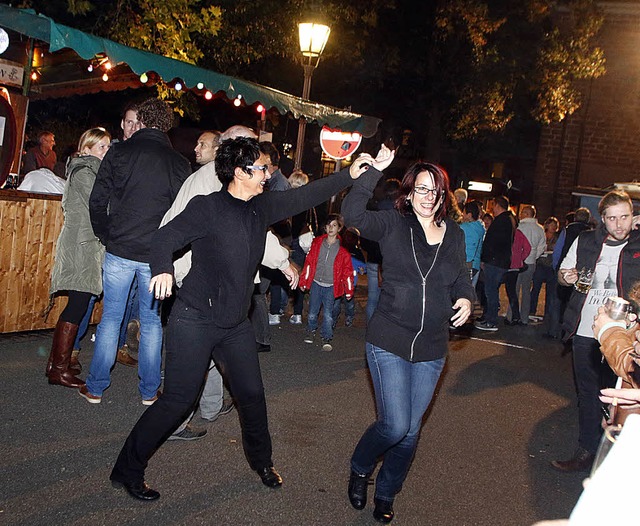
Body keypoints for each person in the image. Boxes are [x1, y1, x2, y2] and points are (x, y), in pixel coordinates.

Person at [109, 136, 380, 501]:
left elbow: (306, 196)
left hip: (235, 323)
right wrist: (162, 270)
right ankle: (127, 469)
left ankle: (262, 461)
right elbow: (162, 237)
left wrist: (349, 173)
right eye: (261, 169)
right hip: (195, 319)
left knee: (251, 395)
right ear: (239, 172)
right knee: (178, 400)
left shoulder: (261, 207)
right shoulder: (207, 207)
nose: (267, 175)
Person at [342, 155, 473, 524]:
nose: (428, 196)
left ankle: (386, 492)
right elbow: (353, 215)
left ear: (443, 194)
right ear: (410, 192)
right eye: (421, 188)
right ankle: (360, 466)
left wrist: (466, 297)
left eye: (435, 190)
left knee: (411, 432)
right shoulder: (393, 224)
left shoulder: (455, 234)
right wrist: (373, 174)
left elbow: (461, 276)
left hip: (432, 347)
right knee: (395, 425)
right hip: (389, 339)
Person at [161, 125, 295, 440]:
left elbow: (255, 227)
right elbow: (176, 230)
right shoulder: (210, 183)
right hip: (200, 280)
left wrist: (281, 261)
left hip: (223, 285)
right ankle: (175, 421)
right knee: (196, 353)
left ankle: (210, 406)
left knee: (217, 347)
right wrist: (170, 270)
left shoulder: (234, 184)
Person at [82, 98, 191, 405]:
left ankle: (96, 387)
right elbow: (183, 214)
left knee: (111, 319)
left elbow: (96, 200)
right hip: (157, 255)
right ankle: (149, 391)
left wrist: (106, 234)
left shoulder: (119, 152)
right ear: (167, 124)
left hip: (120, 247)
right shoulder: (178, 163)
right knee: (153, 322)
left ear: (141, 120)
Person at [552, 191, 640, 472]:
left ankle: (617, 457)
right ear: (602, 219)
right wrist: (566, 277)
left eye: (624, 217)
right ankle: (587, 450)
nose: (619, 224)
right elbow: (562, 275)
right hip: (587, 331)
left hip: (625, 335)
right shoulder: (586, 240)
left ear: (633, 215)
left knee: (623, 396)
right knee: (588, 394)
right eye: (612, 218)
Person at [45, 127, 111, 388]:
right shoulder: (86, 172)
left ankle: (55, 364)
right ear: (86, 150)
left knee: (78, 303)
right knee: (78, 304)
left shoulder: (88, 170)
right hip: (83, 245)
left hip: (84, 244)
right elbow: (100, 208)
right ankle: (58, 369)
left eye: (108, 146)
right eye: (101, 147)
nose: (106, 151)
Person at [299, 213, 354, 352]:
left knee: (328, 314)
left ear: (339, 228)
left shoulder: (343, 252)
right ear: (325, 227)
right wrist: (304, 281)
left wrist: (348, 290)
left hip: (331, 286)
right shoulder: (317, 243)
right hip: (316, 283)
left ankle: (327, 336)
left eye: (334, 225)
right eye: (328, 225)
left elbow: (347, 272)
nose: (331, 228)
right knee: (312, 311)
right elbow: (309, 263)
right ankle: (311, 330)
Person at [474, 196, 514, 332]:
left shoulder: (502, 221)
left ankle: (491, 320)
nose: (492, 209)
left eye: (493, 205)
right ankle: (488, 317)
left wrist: (485, 259)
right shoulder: (508, 220)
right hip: (499, 261)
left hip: (495, 262)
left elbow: (493, 243)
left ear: (498, 205)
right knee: (491, 290)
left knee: (490, 291)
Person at [287, 169, 313, 325]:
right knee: (298, 276)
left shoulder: (288, 201)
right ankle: (297, 313)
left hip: (289, 241)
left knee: (282, 273)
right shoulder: (307, 202)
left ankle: (276, 311)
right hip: (301, 242)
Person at [513, 205, 546, 325]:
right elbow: (542, 246)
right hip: (531, 262)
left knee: (514, 289)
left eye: (522, 212)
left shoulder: (519, 227)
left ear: (527, 214)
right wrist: (534, 256)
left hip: (518, 262)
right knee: (526, 290)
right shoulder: (540, 229)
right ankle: (524, 317)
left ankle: (512, 315)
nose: (520, 214)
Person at [333, 226, 367, 328]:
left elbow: (362, 267)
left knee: (346, 302)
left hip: (349, 281)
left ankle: (347, 317)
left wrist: (362, 269)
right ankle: (335, 318)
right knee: (339, 302)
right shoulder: (340, 249)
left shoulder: (355, 252)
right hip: (341, 280)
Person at [530, 216, 560, 322]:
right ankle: (531, 310)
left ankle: (547, 313)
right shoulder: (542, 234)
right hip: (540, 264)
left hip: (551, 266)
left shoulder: (557, 237)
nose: (553, 227)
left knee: (550, 291)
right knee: (535, 289)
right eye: (551, 225)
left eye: (555, 225)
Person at [503, 227, 531, 325]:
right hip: (515, 265)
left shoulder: (504, 232)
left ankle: (515, 316)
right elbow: (528, 247)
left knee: (509, 291)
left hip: (505, 264)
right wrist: (520, 258)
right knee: (512, 291)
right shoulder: (518, 233)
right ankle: (516, 316)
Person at [460, 200, 485, 288]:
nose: (462, 215)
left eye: (464, 213)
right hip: (476, 265)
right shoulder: (480, 228)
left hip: (465, 264)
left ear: (469, 215)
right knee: (470, 292)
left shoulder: (463, 228)